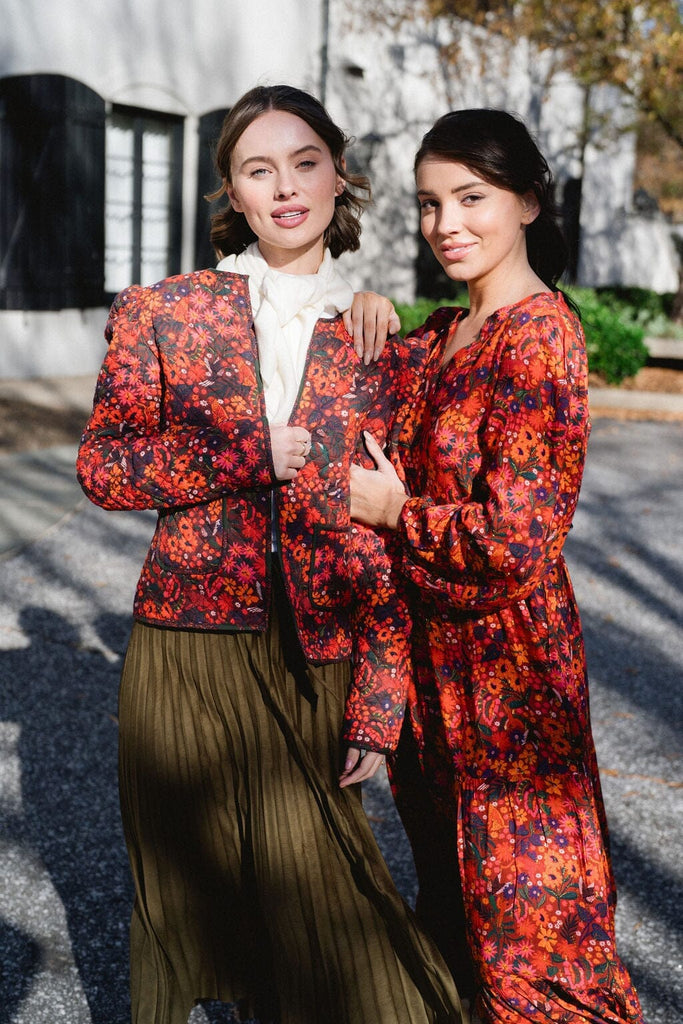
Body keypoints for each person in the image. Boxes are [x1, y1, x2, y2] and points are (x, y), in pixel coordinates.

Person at [76, 85, 462, 1024]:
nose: (285, 188)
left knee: (326, 915)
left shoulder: (383, 342)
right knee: (186, 905)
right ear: (232, 195)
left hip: (318, 655)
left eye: (304, 163)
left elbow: (385, 538)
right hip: (187, 647)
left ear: (340, 175)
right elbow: (103, 467)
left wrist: (378, 699)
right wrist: (243, 449)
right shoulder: (161, 312)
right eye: (259, 170)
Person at [349, 108, 645, 1023]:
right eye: (430, 203)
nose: (446, 224)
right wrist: (352, 301)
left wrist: (399, 512)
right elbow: (331, 383)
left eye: (470, 198)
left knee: (537, 931)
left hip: (512, 672)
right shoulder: (439, 335)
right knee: (455, 905)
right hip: (431, 665)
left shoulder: (537, 336)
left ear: (525, 200)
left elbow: (519, 536)